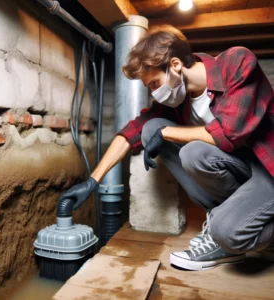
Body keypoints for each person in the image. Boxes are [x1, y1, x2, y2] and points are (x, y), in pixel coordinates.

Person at [59, 25, 274, 271]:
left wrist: (167, 133)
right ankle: (227, 222)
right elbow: (133, 131)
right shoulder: (179, 100)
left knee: (222, 224)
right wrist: (92, 182)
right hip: (239, 169)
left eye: (153, 83)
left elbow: (229, 134)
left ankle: (233, 232)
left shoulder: (237, 62)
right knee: (154, 128)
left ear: (175, 66)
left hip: (268, 169)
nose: (154, 93)